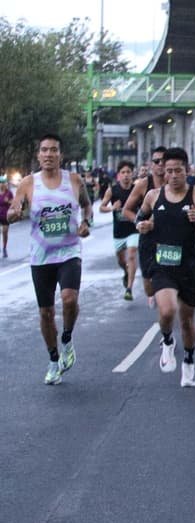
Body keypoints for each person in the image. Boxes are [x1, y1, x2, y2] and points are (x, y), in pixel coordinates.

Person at [6, 133, 93, 385]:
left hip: (69, 252)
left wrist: (86, 222)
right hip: (41, 257)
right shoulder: (28, 183)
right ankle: (54, 359)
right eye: (44, 150)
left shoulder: (74, 180)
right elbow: (15, 207)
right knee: (45, 313)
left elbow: (87, 205)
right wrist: (14, 213)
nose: (48, 154)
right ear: (38, 155)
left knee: (69, 298)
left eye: (53, 150)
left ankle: (66, 338)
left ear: (60, 155)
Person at [135, 147, 195, 388]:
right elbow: (139, 219)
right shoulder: (153, 196)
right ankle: (167, 341)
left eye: (178, 170)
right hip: (163, 264)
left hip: (189, 267)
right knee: (167, 310)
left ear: (187, 171)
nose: (173, 175)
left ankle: (189, 362)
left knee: (187, 321)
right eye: (168, 171)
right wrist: (143, 225)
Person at [122, 146, 168, 308]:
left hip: (170, 239)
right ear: (151, 164)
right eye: (156, 161)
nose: (160, 164)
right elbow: (126, 210)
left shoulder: (176, 183)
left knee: (169, 278)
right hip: (148, 238)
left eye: (164, 161)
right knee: (148, 284)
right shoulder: (143, 185)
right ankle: (154, 294)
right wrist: (139, 223)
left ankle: (167, 304)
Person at [99, 160, 139, 300]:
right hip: (119, 232)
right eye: (123, 172)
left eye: (128, 172)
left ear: (132, 174)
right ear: (118, 175)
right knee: (121, 261)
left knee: (132, 254)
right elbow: (101, 208)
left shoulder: (137, 189)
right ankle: (126, 272)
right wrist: (112, 208)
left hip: (134, 229)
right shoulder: (113, 190)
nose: (126, 175)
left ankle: (129, 289)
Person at [0, 176, 12, 258]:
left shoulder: (9, 193)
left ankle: (4, 248)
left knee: (5, 232)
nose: (2, 184)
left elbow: (13, 202)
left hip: (5, 215)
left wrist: (8, 201)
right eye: (1, 183)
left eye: (3, 182)